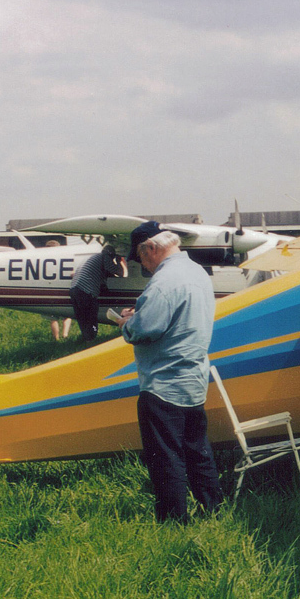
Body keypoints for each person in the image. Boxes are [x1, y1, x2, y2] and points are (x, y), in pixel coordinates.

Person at [117, 221, 224, 523]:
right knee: (198, 452)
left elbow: (145, 329)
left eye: (141, 260)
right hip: (193, 379)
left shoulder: (164, 282)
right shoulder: (197, 273)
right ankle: (212, 510)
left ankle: (174, 522)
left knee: (165, 458)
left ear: (150, 248)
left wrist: (127, 323)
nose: (144, 268)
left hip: (163, 383)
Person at [68, 243, 127, 342]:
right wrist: (118, 261)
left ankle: (87, 339)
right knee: (91, 315)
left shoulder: (94, 258)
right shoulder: (105, 257)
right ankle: (92, 339)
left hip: (74, 290)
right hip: (85, 291)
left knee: (82, 318)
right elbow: (119, 273)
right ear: (110, 254)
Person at [41, 240, 73, 340]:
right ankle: (65, 335)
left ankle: (56, 338)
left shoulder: (42, 259)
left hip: (49, 289)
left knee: (52, 317)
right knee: (67, 315)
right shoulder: (65, 258)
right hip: (64, 288)